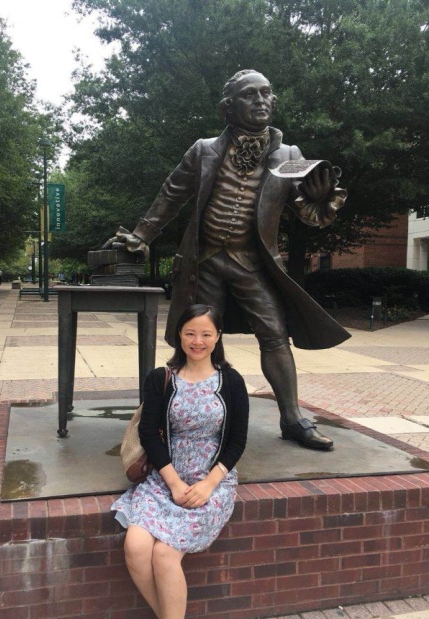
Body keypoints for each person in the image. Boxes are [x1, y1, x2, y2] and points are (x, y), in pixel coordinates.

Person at [113, 69, 350, 451]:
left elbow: (306, 211)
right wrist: (142, 235)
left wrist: (321, 198)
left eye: (266, 93)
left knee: (274, 333)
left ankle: (292, 419)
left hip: (253, 262)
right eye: (250, 94)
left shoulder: (288, 157)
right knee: (200, 338)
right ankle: (195, 414)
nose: (260, 100)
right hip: (204, 261)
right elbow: (172, 194)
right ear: (229, 106)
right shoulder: (204, 150)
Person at [111, 304, 249, 619]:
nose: (197, 341)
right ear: (179, 336)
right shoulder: (161, 379)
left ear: (217, 337)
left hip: (210, 482)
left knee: (164, 554)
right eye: (190, 333)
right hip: (165, 479)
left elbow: (237, 440)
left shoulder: (231, 381)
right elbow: (148, 433)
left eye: (206, 334)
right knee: (136, 547)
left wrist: (208, 484)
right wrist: (173, 482)